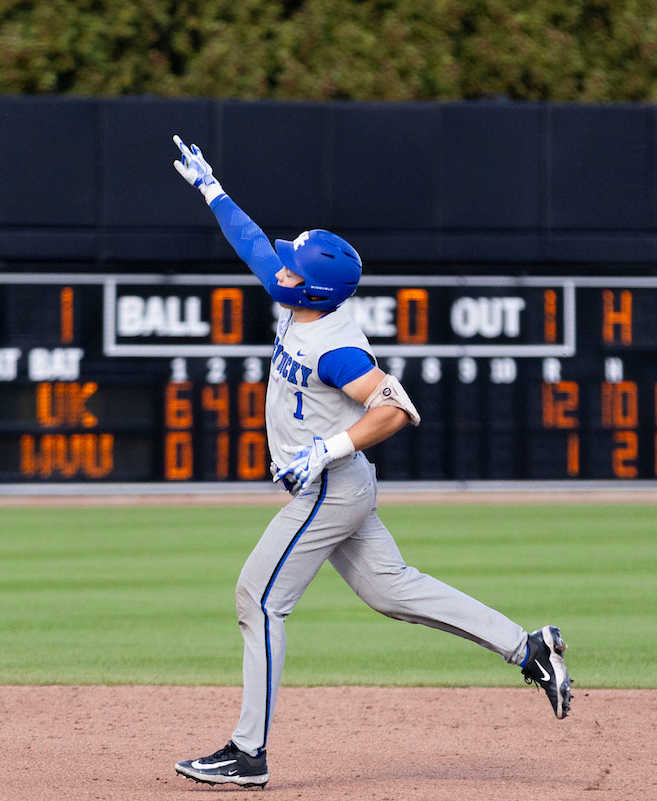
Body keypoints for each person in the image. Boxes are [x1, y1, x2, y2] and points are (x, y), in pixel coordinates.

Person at [169, 135, 571, 789]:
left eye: (293, 268)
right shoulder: (302, 298)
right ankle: (528, 648)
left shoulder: (336, 346)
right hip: (342, 486)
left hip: (330, 488)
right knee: (393, 590)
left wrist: (325, 448)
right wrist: (212, 189)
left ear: (314, 288)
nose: (281, 270)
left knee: (258, 598)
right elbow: (256, 247)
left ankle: (248, 753)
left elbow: (396, 408)